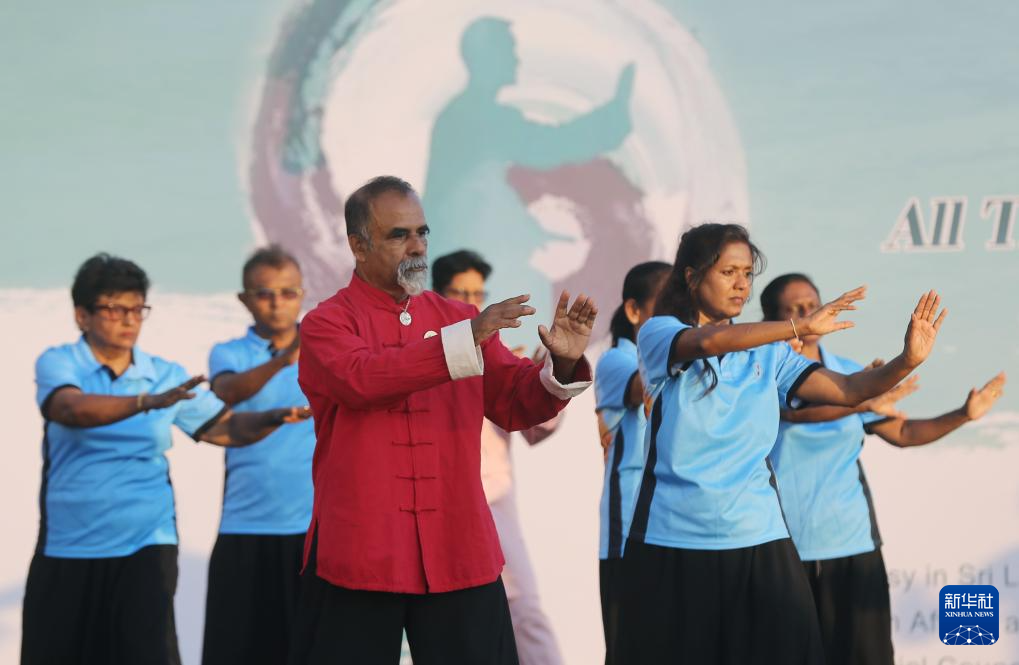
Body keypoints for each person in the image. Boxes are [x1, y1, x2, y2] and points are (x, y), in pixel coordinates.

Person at [289, 176, 596, 665]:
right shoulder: (326, 323)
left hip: (458, 544)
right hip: (362, 550)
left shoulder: (459, 317)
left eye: (422, 233)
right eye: (399, 235)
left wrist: (561, 362)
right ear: (358, 246)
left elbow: (516, 403)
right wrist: (463, 339)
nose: (417, 247)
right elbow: (361, 380)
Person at [615, 223, 946, 664]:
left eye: (747, 273)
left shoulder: (768, 352)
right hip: (673, 536)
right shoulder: (659, 332)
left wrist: (907, 360)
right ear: (691, 277)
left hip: (759, 535)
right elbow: (709, 340)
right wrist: (797, 326)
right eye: (728, 271)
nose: (741, 284)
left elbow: (850, 389)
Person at [22, 253, 311, 665]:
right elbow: (70, 409)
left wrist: (273, 417)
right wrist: (144, 402)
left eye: (137, 309)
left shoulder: (164, 375)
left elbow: (226, 428)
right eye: (114, 309)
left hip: (147, 543)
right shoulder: (60, 362)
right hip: (69, 547)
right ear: (82, 316)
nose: (129, 320)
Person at [760, 273, 1006, 665]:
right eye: (795, 308)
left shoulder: (850, 375)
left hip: (852, 543)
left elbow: (904, 432)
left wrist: (962, 414)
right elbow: (794, 414)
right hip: (785, 549)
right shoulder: (765, 371)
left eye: (812, 304)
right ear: (774, 318)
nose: (808, 312)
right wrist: (862, 401)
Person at [423, 16, 633, 340]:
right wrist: (613, 117)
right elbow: (549, 145)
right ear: (486, 57)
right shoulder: (477, 115)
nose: (516, 59)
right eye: (508, 50)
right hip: (462, 266)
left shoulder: (463, 113)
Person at [432, 249, 565, 665]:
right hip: (437, 504)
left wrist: (546, 376)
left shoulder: (498, 353)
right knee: (444, 618)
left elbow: (537, 428)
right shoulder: (424, 354)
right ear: (438, 295)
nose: (472, 302)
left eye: (478, 293)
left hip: (492, 502)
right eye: (461, 292)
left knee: (523, 606)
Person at [201, 246, 316, 665]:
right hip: (245, 527)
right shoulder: (228, 353)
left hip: (313, 531)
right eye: (265, 293)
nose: (277, 303)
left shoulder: (326, 349)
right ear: (244, 299)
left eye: (288, 293)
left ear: (302, 295)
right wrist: (286, 359)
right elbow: (226, 392)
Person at [594, 260, 671, 664]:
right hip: (628, 535)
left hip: (676, 530)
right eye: (667, 304)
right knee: (631, 651)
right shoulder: (616, 361)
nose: (677, 315)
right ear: (633, 310)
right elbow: (645, 385)